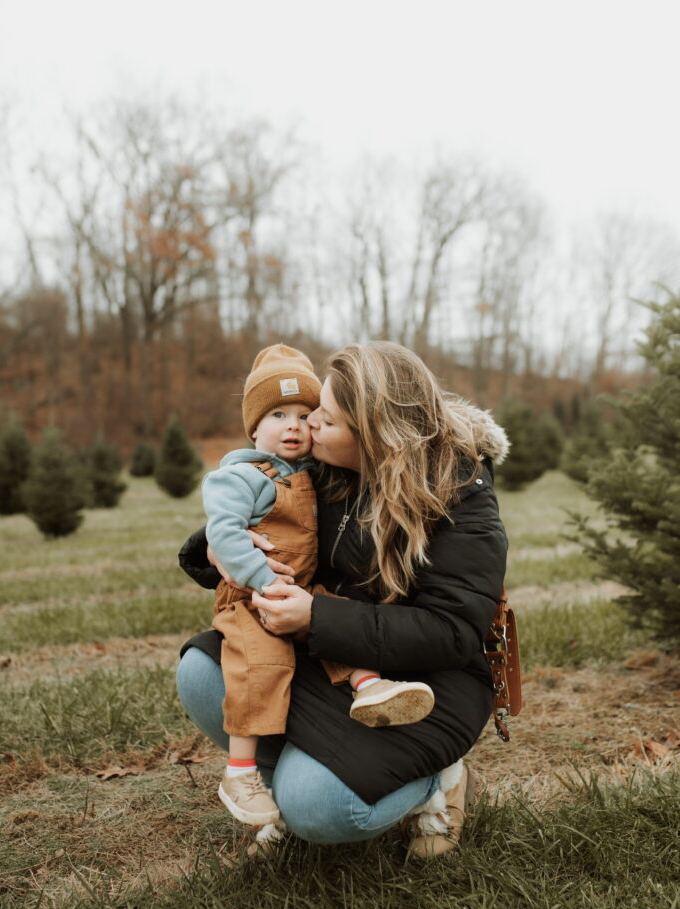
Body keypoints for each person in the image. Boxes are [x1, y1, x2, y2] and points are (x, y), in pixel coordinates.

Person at [177, 341, 509, 858]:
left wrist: (315, 616)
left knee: (323, 807)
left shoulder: (460, 493)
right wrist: (220, 549)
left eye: (323, 419)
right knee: (202, 671)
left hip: (427, 677)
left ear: (374, 432)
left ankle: (438, 783)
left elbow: (452, 632)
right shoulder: (322, 468)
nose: (307, 428)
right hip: (331, 655)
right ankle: (280, 794)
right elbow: (259, 514)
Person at [204, 344, 436, 829]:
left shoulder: (314, 470)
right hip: (252, 599)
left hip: (301, 589)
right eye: (277, 414)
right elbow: (223, 532)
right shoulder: (239, 475)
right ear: (253, 427)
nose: (293, 425)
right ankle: (241, 773)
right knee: (259, 668)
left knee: (338, 622)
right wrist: (257, 577)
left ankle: (370, 687)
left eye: (305, 414)